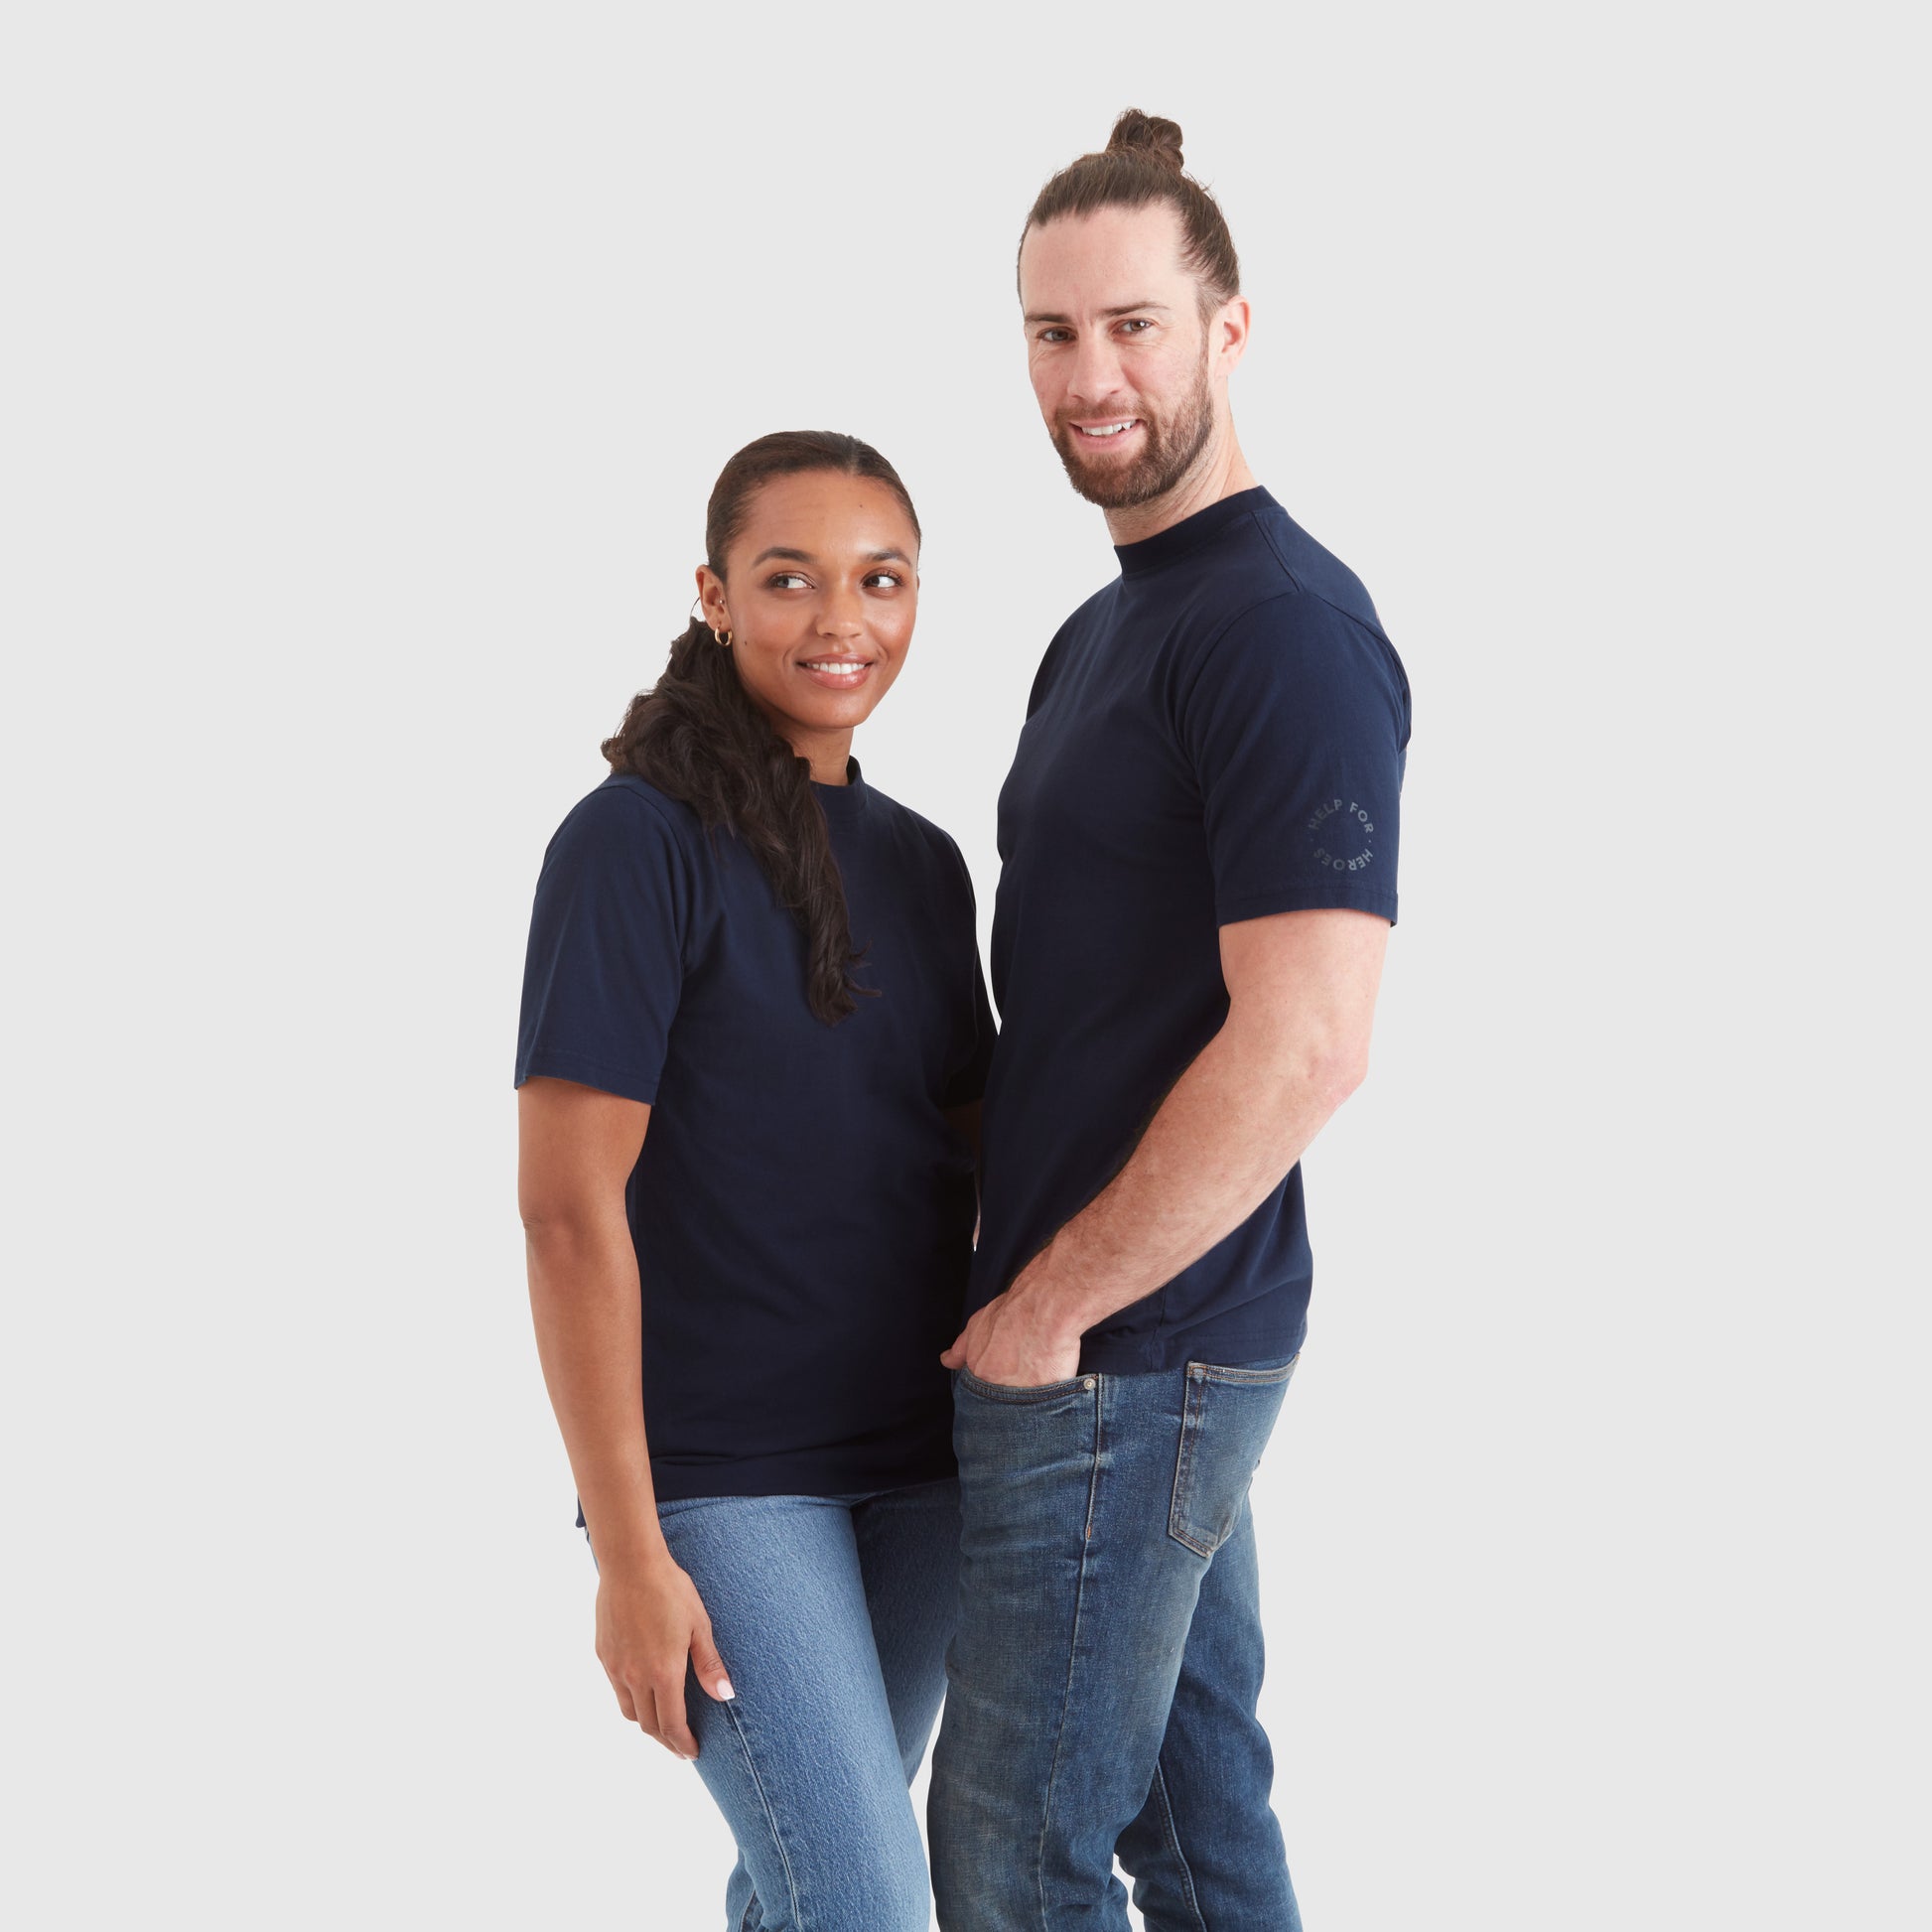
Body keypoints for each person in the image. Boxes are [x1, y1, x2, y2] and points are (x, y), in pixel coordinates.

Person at [928, 112, 1413, 1928]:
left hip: (1129, 1351)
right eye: (1051, 336)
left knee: (1009, 1858)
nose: (1089, 375)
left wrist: (1052, 1308)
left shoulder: (1280, 629)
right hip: (1117, 1343)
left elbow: (1308, 1042)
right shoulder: (1106, 631)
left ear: (1227, 328)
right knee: (1196, 1839)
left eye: (1131, 324)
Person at [515, 431, 993, 1932]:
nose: (839, 620)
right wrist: (631, 1548)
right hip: (724, 1482)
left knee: (802, 1888)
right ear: (715, 596)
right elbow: (565, 1209)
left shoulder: (922, 865)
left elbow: (968, 1147)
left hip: (920, 1468)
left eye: (881, 580)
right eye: (789, 579)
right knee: (861, 1899)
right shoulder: (629, 846)